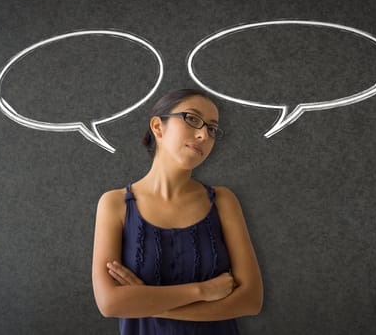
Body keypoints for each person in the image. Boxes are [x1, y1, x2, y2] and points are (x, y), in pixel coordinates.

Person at [92, 88, 263, 334]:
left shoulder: (223, 201)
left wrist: (145, 301)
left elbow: (250, 300)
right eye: (192, 119)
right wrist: (203, 291)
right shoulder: (115, 204)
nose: (204, 134)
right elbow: (110, 303)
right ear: (158, 127)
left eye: (212, 129)